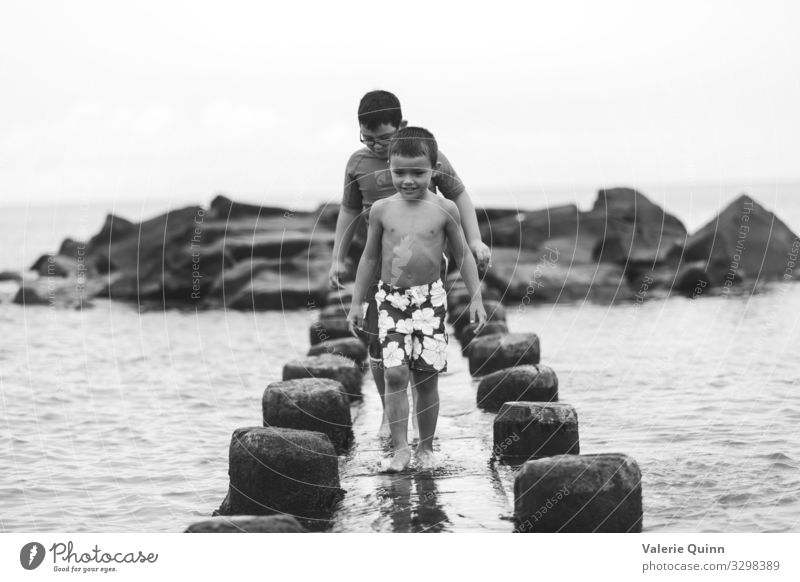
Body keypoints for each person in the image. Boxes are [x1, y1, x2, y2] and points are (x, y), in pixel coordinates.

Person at [329, 90, 491, 435]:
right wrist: (337, 258)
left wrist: (474, 238)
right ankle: (392, 411)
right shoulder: (358, 165)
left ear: (400, 126)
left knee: (422, 347)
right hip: (379, 264)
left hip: (426, 267)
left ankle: (423, 417)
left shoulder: (427, 156)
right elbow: (348, 211)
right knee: (378, 344)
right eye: (367, 138)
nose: (375, 145)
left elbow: (458, 195)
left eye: (383, 138)